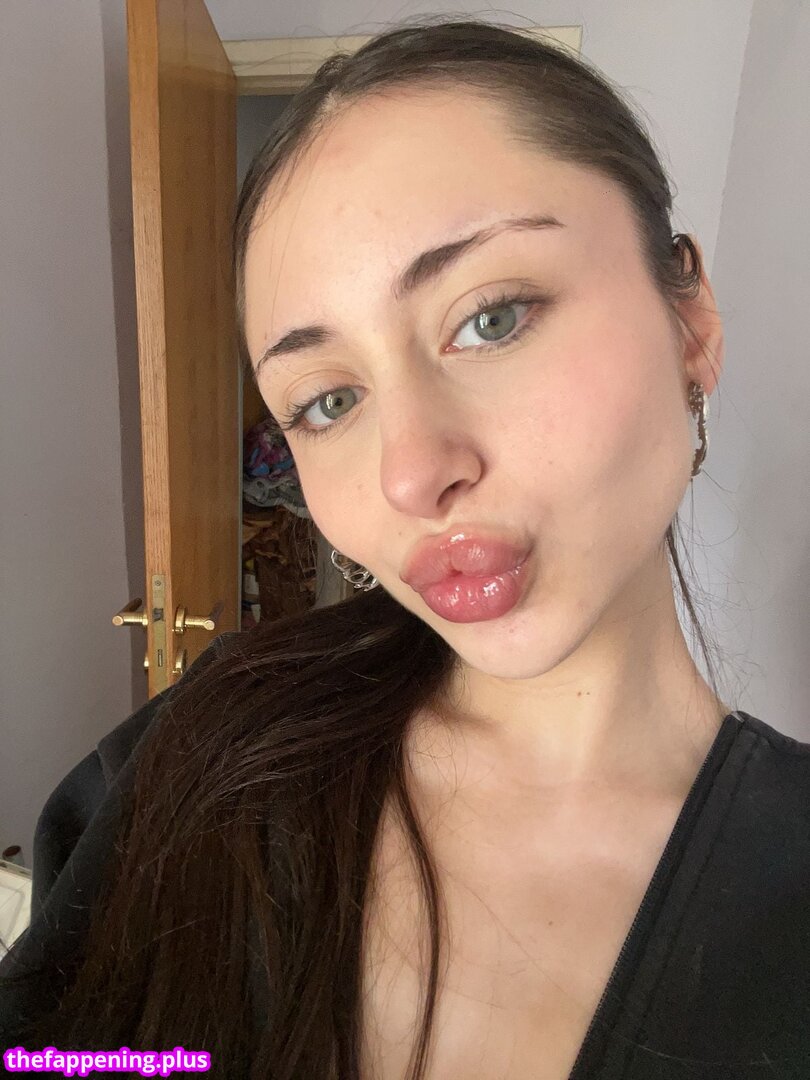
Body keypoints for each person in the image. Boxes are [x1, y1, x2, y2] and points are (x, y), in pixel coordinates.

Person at [1, 17, 809, 1080]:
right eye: (328, 400)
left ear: (690, 322)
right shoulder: (192, 761)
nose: (409, 474)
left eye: (492, 318)